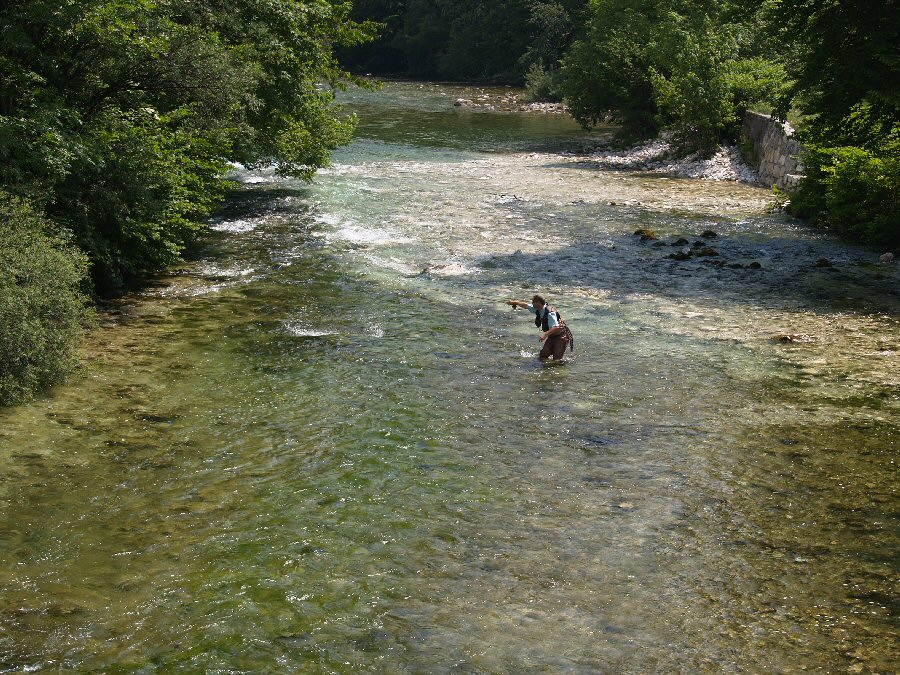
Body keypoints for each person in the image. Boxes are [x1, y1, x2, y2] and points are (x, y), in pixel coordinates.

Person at [505, 294, 573, 361]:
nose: (532, 303)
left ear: (538, 302)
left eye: (533, 302)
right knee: (543, 355)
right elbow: (526, 305)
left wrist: (545, 335)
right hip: (551, 336)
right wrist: (514, 303)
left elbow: (555, 327)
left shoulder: (550, 313)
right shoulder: (538, 309)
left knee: (557, 360)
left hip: (561, 337)